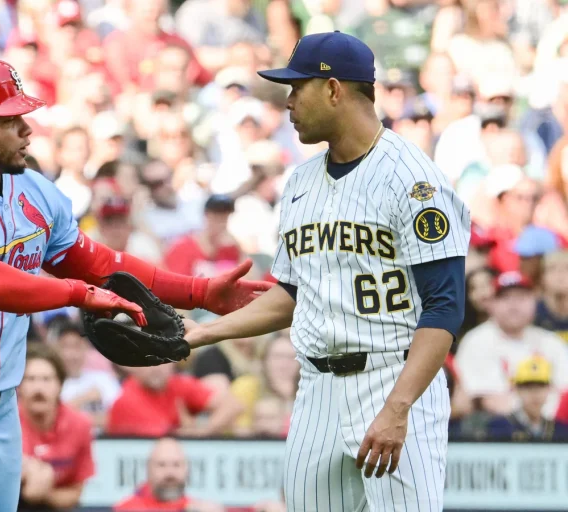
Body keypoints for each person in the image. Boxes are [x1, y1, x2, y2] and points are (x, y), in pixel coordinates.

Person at [0, 58, 269, 512]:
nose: (27, 129)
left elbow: (99, 263)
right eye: (10, 118)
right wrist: (77, 294)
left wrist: (199, 292)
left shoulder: (34, 190)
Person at [184, 31, 471, 511]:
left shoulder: (415, 181)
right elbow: (292, 294)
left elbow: (445, 307)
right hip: (316, 388)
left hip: (392, 377)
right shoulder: (299, 182)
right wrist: (203, 334)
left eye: (297, 88)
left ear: (335, 89)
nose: (288, 102)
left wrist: (398, 408)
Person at [455, 271, 568, 417]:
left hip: (551, 431)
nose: (513, 305)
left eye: (521, 297)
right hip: (495, 432)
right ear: (491, 303)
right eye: (505, 298)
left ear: (534, 301)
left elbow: (564, 393)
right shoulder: (476, 341)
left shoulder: (551, 342)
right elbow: (488, 401)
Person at [18, 344, 95, 511]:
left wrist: (44, 491)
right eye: (30, 379)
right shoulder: (5, 424)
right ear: (19, 386)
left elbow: (75, 492)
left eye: (46, 379)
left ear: (60, 385)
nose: (38, 388)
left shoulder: (79, 425)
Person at [104, 362, 243, 438]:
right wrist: (190, 428)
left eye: (163, 359)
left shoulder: (177, 384)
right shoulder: (126, 400)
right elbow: (167, 441)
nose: (157, 367)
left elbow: (234, 405)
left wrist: (204, 430)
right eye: (149, 360)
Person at [113, 437, 224, 512]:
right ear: (148, 469)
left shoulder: (202, 508)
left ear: (187, 469)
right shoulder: (128, 508)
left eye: (176, 465)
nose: (170, 472)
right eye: (162, 465)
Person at [486, 356, 568, 441]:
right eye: (528, 387)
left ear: (549, 389)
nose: (535, 394)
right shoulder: (500, 427)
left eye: (541, 386)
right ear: (517, 389)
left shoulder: (560, 429)